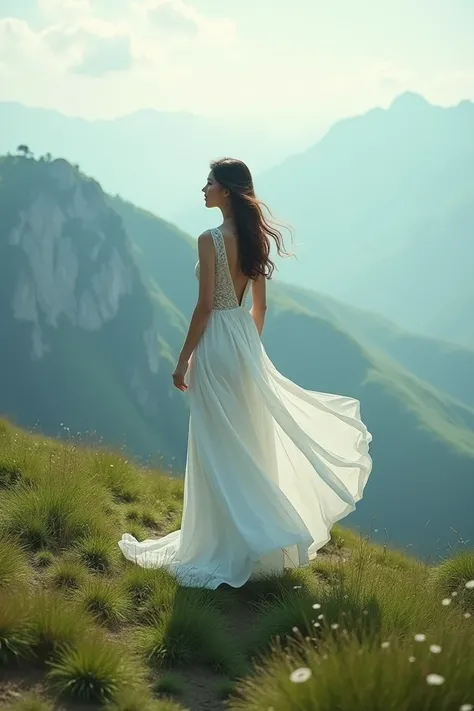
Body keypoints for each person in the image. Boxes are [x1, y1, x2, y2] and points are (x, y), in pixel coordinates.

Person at [119, 157, 372, 589]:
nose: (203, 189)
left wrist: (183, 359)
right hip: (242, 344)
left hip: (216, 343)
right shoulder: (255, 239)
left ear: (228, 191)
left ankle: (221, 541)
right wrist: (247, 351)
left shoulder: (209, 239)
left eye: (210, 182)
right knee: (247, 443)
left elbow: (203, 308)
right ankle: (257, 539)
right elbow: (261, 308)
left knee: (216, 446)